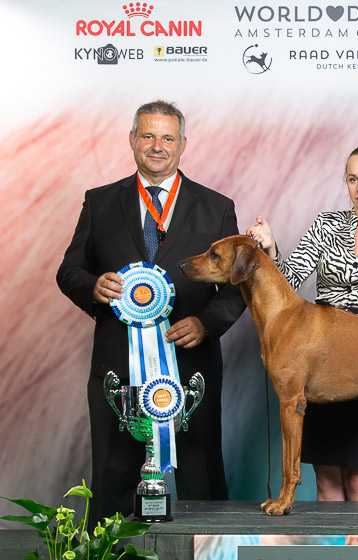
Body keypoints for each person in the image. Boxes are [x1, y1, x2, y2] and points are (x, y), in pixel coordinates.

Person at [57, 100, 246, 525]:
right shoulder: (99, 202)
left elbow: (238, 288)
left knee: (201, 480)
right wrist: (92, 287)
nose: (157, 146)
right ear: (132, 140)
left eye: (167, 137)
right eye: (147, 136)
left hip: (192, 371)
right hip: (117, 372)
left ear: (183, 144)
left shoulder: (216, 206)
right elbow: (68, 271)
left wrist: (207, 323)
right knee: (112, 482)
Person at [247, 144, 358, 502]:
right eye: (353, 179)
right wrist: (269, 248)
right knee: (326, 479)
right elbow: (289, 281)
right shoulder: (326, 224)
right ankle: (330, 542)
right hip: (320, 353)